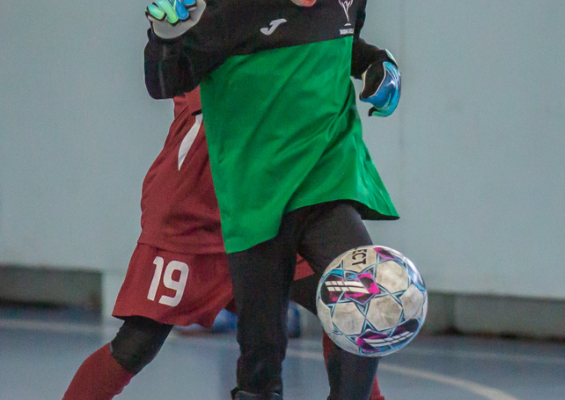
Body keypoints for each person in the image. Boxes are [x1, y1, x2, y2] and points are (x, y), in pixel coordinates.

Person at [143, 1, 401, 399]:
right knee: (261, 358)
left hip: (325, 176)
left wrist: (376, 64)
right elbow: (166, 82)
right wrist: (165, 38)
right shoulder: (227, 10)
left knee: (368, 296)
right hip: (255, 195)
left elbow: (345, 40)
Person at [61, 87, 387, 399]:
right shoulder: (210, 53)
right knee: (137, 343)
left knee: (349, 304)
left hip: (264, 205)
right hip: (195, 211)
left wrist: (372, 60)